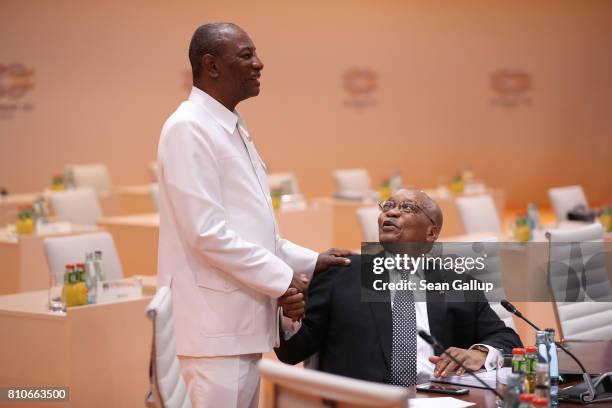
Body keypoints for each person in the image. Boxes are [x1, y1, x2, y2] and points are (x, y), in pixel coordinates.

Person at [156, 22, 351, 408]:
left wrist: (312, 261)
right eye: (246, 56)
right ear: (211, 66)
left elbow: (252, 231)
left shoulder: (229, 125)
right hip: (213, 332)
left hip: (239, 326)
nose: (259, 64)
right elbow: (207, 233)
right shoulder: (188, 128)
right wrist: (283, 279)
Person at [275, 189, 522, 385]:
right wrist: (290, 318)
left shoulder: (457, 282)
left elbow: (507, 338)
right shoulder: (341, 273)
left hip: (438, 398)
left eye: (407, 208)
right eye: (388, 206)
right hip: (366, 403)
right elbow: (293, 353)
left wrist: (479, 353)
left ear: (431, 233)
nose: (391, 213)